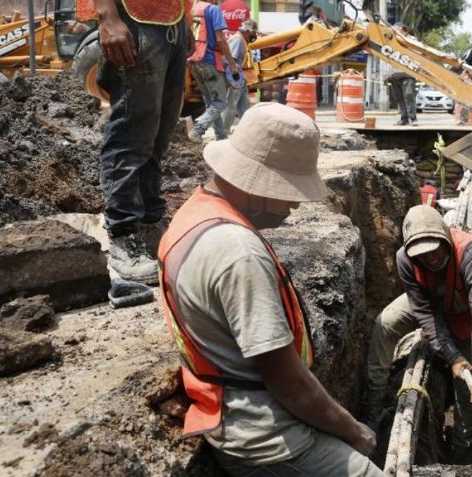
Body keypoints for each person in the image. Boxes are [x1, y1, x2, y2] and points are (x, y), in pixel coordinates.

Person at [159, 103, 382, 477]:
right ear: (255, 182)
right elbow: (289, 382)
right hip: (270, 440)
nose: (294, 203)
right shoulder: (239, 253)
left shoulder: (194, 214)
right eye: (287, 189)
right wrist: (355, 431)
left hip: (235, 418)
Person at [364, 205, 472, 453]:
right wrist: (450, 354)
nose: (431, 258)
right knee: (385, 323)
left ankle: (465, 444)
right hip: (431, 304)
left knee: (467, 388)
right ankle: (374, 405)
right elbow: (424, 311)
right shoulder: (405, 258)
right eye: (423, 254)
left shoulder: (470, 252)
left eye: (435, 249)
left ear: (445, 237)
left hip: (464, 312)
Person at [94, 0, 193, 284]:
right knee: (132, 134)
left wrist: (183, 19)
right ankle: (123, 237)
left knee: (159, 133)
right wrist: (107, 15)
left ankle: (150, 225)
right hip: (132, 18)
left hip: (170, 23)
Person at [187, 0, 240, 142]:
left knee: (211, 103)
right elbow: (221, 40)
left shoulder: (193, 8)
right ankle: (197, 130)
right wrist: (232, 64)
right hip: (210, 60)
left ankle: (221, 136)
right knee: (220, 103)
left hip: (194, 59)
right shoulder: (213, 9)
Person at [222, 19, 257, 132]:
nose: (255, 35)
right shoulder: (237, 40)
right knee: (231, 107)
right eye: (254, 32)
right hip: (236, 79)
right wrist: (234, 80)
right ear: (247, 31)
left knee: (244, 108)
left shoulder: (242, 40)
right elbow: (231, 61)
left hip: (241, 80)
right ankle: (222, 133)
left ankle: (245, 133)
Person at [385, 23, 418, 126]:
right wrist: (386, 76)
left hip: (407, 74)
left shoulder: (412, 40)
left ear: (404, 30)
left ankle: (412, 118)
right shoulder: (390, 41)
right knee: (399, 98)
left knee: (408, 95)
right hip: (394, 75)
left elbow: (418, 54)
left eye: (396, 30)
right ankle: (404, 119)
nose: (394, 32)